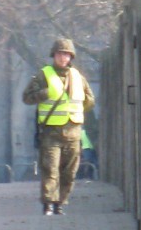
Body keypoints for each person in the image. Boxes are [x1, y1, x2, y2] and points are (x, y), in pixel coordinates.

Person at [22, 37, 95, 216]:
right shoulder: (44, 75)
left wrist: (77, 112)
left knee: (69, 172)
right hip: (50, 132)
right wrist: (44, 93)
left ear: (71, 57)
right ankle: (48, 203)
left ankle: (60, 203)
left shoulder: (78, 77)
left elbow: (90, 99)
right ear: (54, 55)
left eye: (67, 55)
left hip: (73, 132)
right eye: (60, 54)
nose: (63, 58)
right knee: (50, 169)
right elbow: (27, 97)